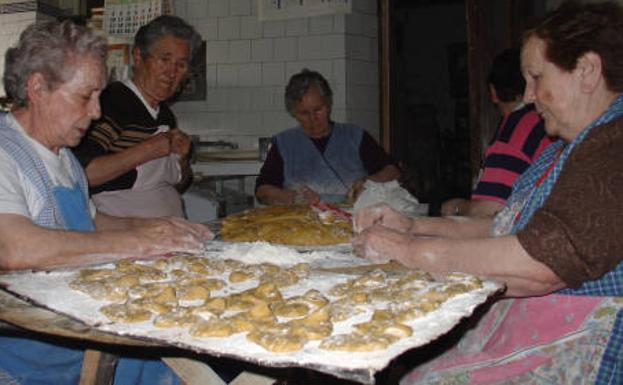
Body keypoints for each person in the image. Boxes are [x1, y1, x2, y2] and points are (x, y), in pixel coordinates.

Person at [353, 2, 623, 383]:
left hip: (581, 347)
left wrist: (409, 251)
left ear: (587, 71)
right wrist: (411, 226)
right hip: (524, 326)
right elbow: (504, 225)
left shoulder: (614, 148)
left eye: (536, 76)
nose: (528, 96)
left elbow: (540, 267)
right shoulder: (566, 148)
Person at [0, 19, 213, 384]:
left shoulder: (64, 157)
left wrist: (161, 229)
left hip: (82, 326)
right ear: (37, 87)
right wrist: (140, 242)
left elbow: (92, 220)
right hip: (32, 353)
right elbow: (13, 247)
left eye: (99, 96)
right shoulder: (6, 151)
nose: (97, 112)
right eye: (86, 97)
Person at [73, 15, 201, 218]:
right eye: (164, 60)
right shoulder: (109, 103)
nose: (171, 72)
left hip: (166, 234)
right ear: (139, 57)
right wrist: (146, 150)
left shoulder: (165, 116)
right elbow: (81, 175)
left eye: (181, 65)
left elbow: (176, 186)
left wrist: (183, 160)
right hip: (119, 237)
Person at [255, 69, 401, 205]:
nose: (313, 118)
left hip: (355, 219)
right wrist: (291, 197)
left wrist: (369, 182)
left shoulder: (355, 136)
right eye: (304, 113)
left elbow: (392, 171)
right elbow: (262, 190)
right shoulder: (284, 144)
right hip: (301, 222)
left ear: (329, 104)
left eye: (318, 110)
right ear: (293, 113)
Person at [441, 48, 552, 217]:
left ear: (493, 92)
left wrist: (456, 207)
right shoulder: (546, 121)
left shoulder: (516, 130)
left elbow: (490, 210)